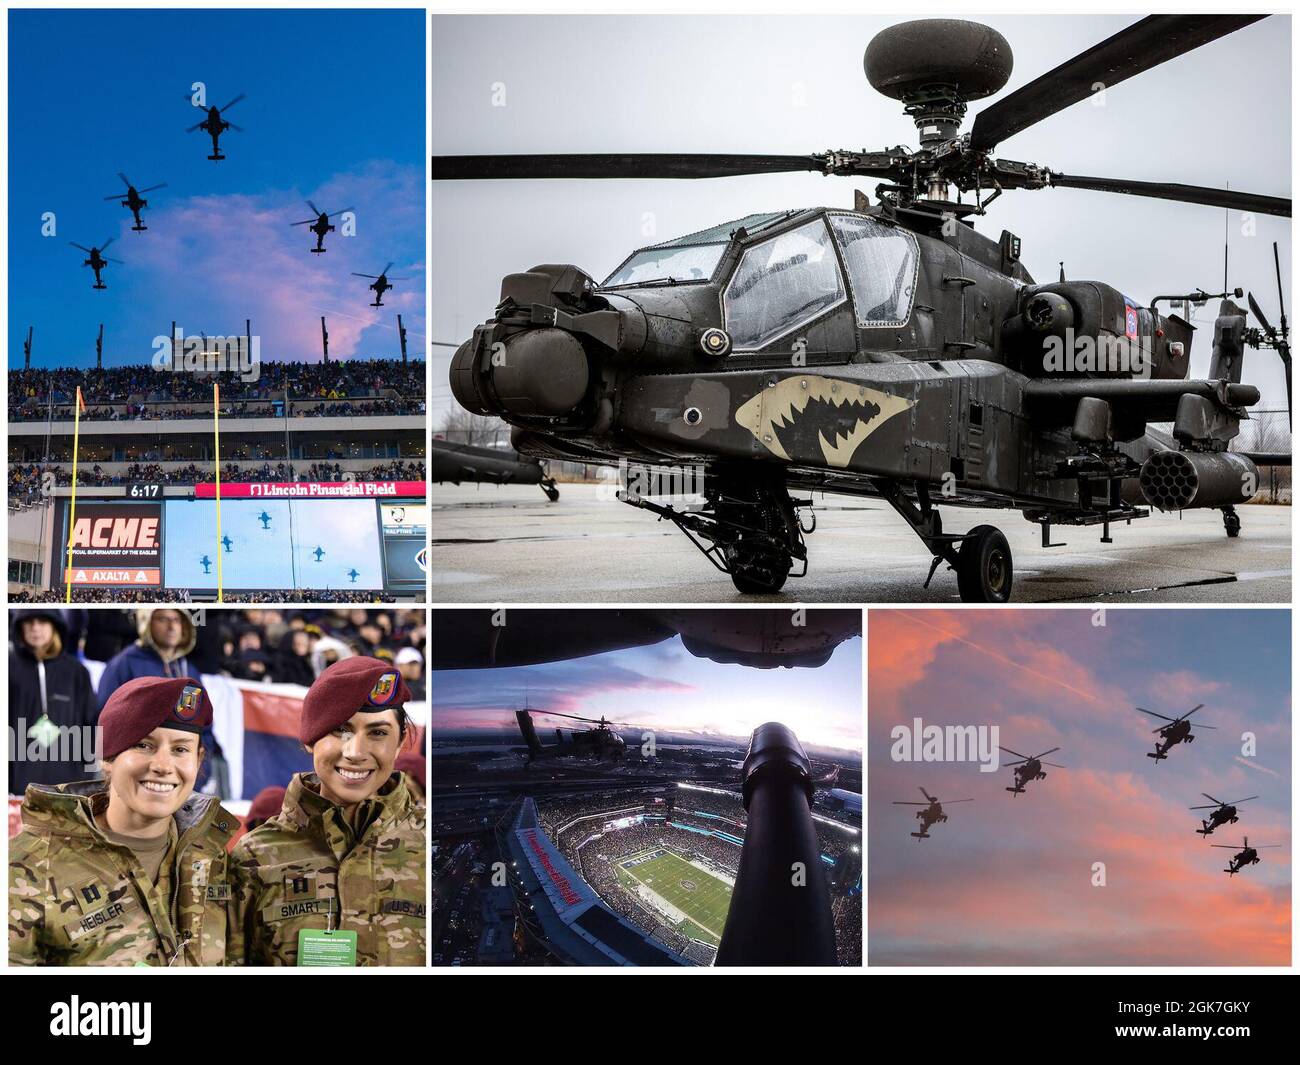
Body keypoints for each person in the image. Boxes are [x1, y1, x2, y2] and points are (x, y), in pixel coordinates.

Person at [8, 676, 238, 966]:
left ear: (199, 760)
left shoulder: (213, 858)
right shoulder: (27, 865)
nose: (163, 766)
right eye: (143, 745)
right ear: (108, 755)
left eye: (180, 750)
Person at [227, 657, 425, 966]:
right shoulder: (254, 856)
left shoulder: (434, 846)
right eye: (340, 730)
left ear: (400, 743)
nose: (356, 752)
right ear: (310, 739)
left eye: (378, 733)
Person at [97, 609, 222, 789]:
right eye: (163, 619)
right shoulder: (124, 664)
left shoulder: (189, 670)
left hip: (181, 783)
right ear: (146, 622)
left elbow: (205, 729)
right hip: (140, 781)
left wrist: (199, 771)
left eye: (177, 620)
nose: (172, 627)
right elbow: (105, 726)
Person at [8, 609, 100, 795]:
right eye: (29, 622)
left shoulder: (77, 672)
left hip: (68, 786)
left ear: (55, 626)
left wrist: (87, 778)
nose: (35, 628)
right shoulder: (8, 667)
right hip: (16, 785)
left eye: (42, 621)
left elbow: (91, 725)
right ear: (19, 627)